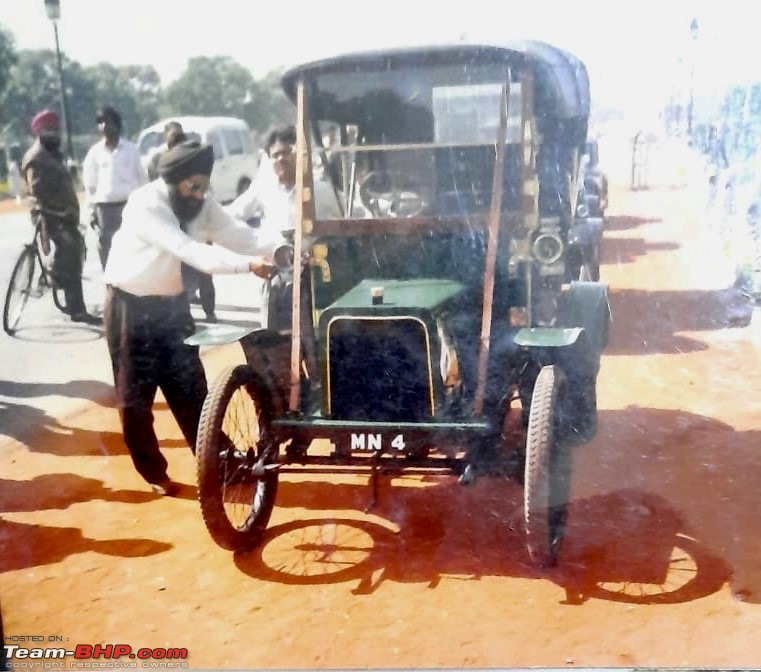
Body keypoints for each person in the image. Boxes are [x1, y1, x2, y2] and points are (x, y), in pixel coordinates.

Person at [103, 139, 275, 496]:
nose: (198, 195)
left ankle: (223, 463)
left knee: (192, 391)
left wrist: (279, 249)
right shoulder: (145, 203)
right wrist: (247, 266)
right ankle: (154, 473)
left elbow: (237, 234)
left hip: (173, 308)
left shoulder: (201, 203)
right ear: (173, 181)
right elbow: (189, 250)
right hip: (130, 307)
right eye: (191, 187)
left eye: (203, 186)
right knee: (135, 401)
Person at [20, 109, 101, 325]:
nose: (55, 134)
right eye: (50, 130)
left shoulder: (54, 154)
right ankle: (75, 305)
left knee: (74, 248)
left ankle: (55, 274)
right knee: (72, 252)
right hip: (49, 216)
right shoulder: (36, 158)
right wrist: (57, 209)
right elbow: (37, 191)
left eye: (56, 129)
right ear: (40, 133)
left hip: (64, 214)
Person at [149, 121, 218, 322]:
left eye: (180, 141)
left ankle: (209, 308)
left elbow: (205, 189)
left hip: (196, 216)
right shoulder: (158, 160)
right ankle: (182, 309)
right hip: (173, 219)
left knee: (206, 266)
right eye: (173, 143)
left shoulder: (194, 158)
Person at [82, 106, 148, 269]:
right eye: (100, 123)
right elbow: (90, 185)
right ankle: (112, 288)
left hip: (130, 206)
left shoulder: (131, 150)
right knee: (107, 249)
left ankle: (134, 289)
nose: (104, 126)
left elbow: (142, 179)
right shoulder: (95, 153)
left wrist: (145, 206)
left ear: (117, 124)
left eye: (108, 122)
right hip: (106, 210)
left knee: (134, 247)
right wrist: (92, 211)